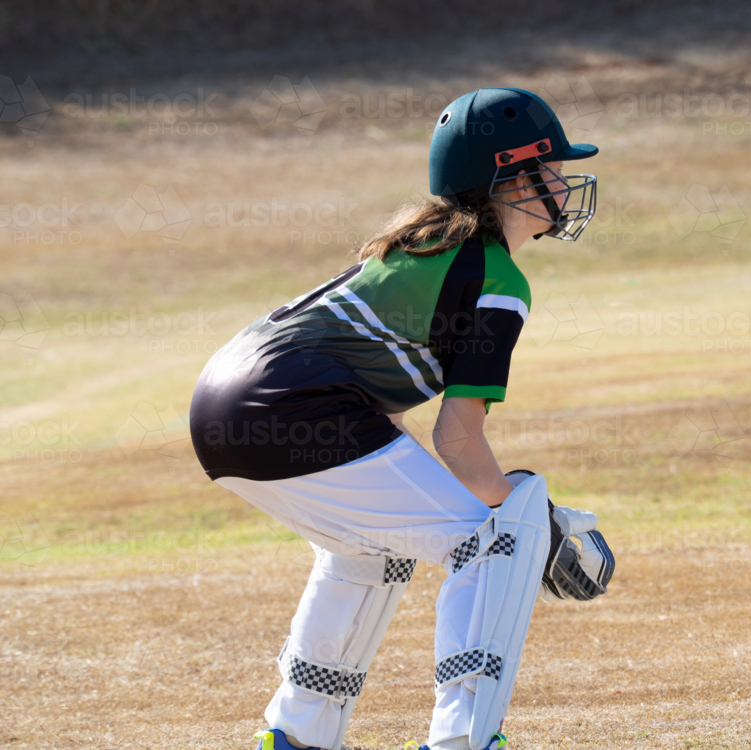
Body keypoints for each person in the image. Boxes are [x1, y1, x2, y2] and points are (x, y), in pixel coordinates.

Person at [188, 87, 599, 750]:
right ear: (512, 180)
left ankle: (295, 736)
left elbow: (396, 436)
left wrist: (526, 520)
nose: (563, 180)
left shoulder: (426, 246)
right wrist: (536, 527)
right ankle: (462, 742)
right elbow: (458, 439)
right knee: (494, 544)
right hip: (293, 405)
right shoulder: (495, 276)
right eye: (550, 167)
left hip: (222, 409)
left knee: (372, 545)